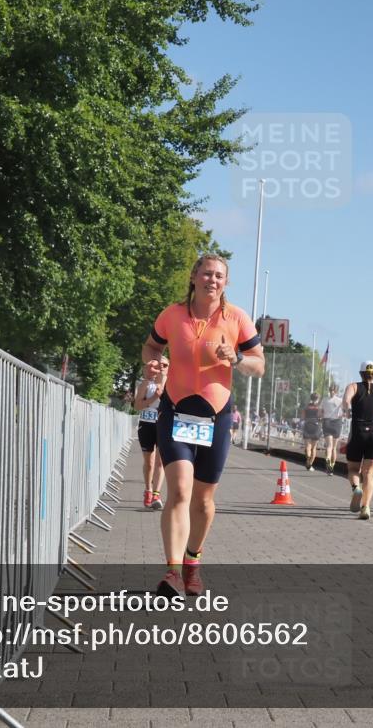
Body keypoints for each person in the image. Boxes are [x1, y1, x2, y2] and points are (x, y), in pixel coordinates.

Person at [142, 254, 264, 596]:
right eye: (207, 273)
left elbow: (259, 365)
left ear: (225, 283)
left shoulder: (236, 318)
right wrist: (152, 364)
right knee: (179, 491)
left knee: (204, 501)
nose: (213, 280)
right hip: (176, 412)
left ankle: (193, 560)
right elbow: (151, 347)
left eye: (220, 276)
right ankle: (172, 572)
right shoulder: (172, 315)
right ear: (194, 277)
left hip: (217, 416)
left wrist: (237, 358)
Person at [342, 361, 373, 520]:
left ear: (360, 374)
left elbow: (345, 402)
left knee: (353, 469)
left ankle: (356, 488)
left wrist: (348, 411)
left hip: (358, 431)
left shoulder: (353, 387)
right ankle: (366, 507)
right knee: (369, 473)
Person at [133, 357, 169, 510]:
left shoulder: (172, 384)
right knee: (149, 462)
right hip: (147, 424)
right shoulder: (146, 384)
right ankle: (148, 489)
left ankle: (156, 494)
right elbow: (137, 406)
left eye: (164, 365)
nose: (160, 368)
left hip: (163, 424)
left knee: (160, 462)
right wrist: (155, 397)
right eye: (155, 366)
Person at [321, 384, 344, 474]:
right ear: (337, 391)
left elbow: (320, 412)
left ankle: (327, 459)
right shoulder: (340, 401)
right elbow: (344, 413)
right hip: (336, 423)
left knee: (329, 446)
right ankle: (332, 465)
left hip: (327, 422)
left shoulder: (324, 400)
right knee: (334, 447)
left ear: (329, 390)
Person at [302, 392, 323, 471]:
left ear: (311, 398)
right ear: (318, 399)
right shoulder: (319, 407)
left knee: (308, 447)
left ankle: (307, 460)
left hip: (307, 426)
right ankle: (310, 464)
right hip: (316, 427)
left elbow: (303, 417)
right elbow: (320, 417)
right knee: (314, 448)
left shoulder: (306, 407)